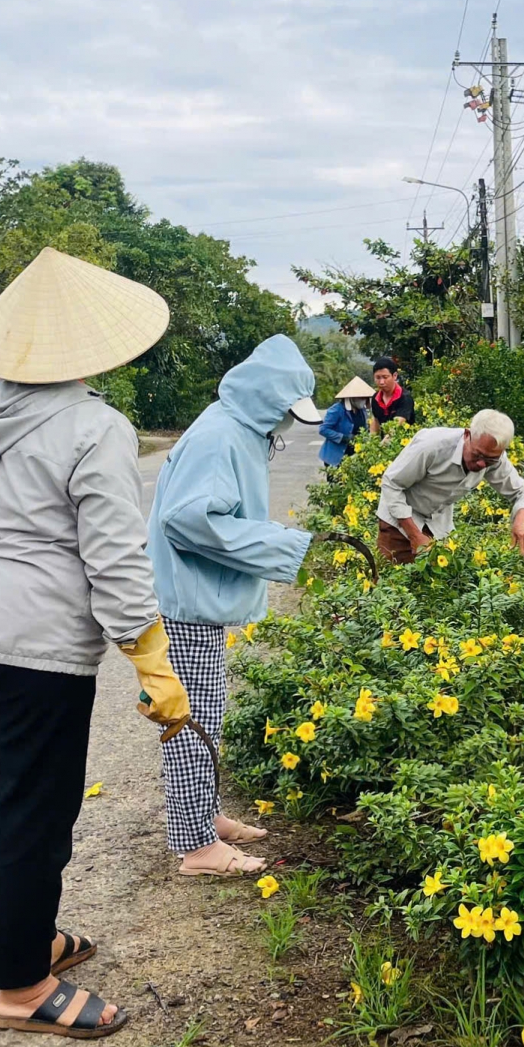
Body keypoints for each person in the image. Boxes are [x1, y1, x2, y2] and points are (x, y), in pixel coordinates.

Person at [0, 247, 191, 1041]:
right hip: (34, 643)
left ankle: (29, 933)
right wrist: (152, 660)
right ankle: (20, 986)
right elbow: (113, 556)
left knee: (3, 798)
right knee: (37, 812)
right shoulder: (95, 428)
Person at [148, 334, 320, 876]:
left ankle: (204, 818)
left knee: (205, 718)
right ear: (265, 397)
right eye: (287, 410)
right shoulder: (221, 434)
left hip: (202, 601)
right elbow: (188, 518)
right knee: (190, 724)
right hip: (189, 603)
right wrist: (280, 546)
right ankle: (196, 847)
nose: (289, 422)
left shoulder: (239, 429)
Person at [375, 408, 524, 564]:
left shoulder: (494, 459)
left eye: (490, 460)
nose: (482, 464)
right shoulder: (433, 445)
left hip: (437, 526)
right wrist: (414, 534)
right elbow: (391, 483)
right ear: (467, 435)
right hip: (399, 522)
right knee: (392, 582)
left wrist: (521, 522)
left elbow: (522, 493)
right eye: (477, 455)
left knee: (433, 587)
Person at [319, 376, 373, 471]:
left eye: (365, 398)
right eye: (360, 398)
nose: (363, 400)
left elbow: (365, 427)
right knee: (336, 484)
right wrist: (343, 437)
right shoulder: (337, 409)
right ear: (351, 397)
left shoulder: (362, 411)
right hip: (336, 455)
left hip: (355, 454)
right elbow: (323, 429)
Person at [370, 356, 417, 429]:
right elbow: (376, 422)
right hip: (384, 439)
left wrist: (383, 441)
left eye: (385, 377)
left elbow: (395, 427)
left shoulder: (404, 397)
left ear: (394, 376)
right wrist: (372, 440)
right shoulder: (375, 399)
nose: (381, 382)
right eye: (378, 378)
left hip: (404, 439)